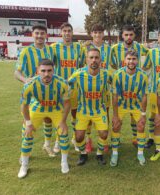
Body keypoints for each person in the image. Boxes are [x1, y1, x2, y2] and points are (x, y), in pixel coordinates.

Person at [18, 59, 71, 178]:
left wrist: (63, 121)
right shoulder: (29, 85)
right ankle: (24, 165)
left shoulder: (62, 83)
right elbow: (24, 105)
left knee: (63, 132)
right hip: (37, 108)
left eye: (49, 71)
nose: (46, 74)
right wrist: (28, 123)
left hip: (55, 109)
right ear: (37, 71)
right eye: (43, 71)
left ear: (54, 70)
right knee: (27, 133)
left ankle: (64, 162)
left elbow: (67, 103)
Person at [14, 24, 56, 157]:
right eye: (37, 33)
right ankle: (24, 153)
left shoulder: (50, 50)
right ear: (32, 34)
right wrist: (25, 80)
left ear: (46, 35)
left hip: (48, 91)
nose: (39, 36)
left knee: (48, 118)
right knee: (28, 122)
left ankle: (47, 145)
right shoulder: (26, 51)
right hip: (32, 93)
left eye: (42, 33)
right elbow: (16, 72)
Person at [68, 48, 110, 166]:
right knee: (79, 136)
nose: (94, 60)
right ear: (86, 60)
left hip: (99, 110)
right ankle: (83, 153)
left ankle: (99, 154)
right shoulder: (78, 74)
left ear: (100, 60)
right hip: (83, 110)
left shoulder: (106, 74)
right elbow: (66, 85)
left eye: (96, 57)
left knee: (104, 134)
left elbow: (117, 83)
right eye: (91, 57)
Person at [111, 25, 148, 146]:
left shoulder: (139, 47)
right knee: (119, 115)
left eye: (131, 34)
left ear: (134, 35)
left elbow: (150, 54)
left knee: (134, 114)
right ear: (122, 35)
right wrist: (120, 74)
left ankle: (135, 138)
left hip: (135, 85)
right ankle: (117, 140)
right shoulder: (115, 48)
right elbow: (112, 63)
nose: (128, 37)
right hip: (121, 83)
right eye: (126, 35)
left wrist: (142, 69)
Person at [110, 51, 148, 166]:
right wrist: (115, 115)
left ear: (137, 60)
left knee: (141, 125)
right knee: (116, 126)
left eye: (134, 59)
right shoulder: (117, 74)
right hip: (122, 105)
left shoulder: (143, 75)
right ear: (125, 60)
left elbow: (145, 96)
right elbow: (115, 96)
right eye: (129, 59)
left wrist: (143, 114)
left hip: (136, 105)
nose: (131, 61)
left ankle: (140, 153)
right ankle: (115, 153)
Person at [80, 24, 112, 153]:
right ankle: (88, 141)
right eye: (95, 32)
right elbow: (81, 65)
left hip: (104, 88)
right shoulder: (85, 48)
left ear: (103, 34)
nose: (98, 35)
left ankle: (103, 141)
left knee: (105, 115)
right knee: (87, 116)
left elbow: (115, 63)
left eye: (100, 32)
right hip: (88, 87)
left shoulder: (109, 49)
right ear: (91, 34)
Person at [51, 22, 82, 153]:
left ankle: (75, 139)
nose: (67, 33)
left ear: (72, 32)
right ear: (61, 33)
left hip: (75, 88)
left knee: (75, 115)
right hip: (60, 88)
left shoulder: (79, 48)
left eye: (69, 31)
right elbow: (48, 66)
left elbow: (83, 65)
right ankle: (58, 140)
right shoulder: (54, 47)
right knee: (61, 116)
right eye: (65, 31)